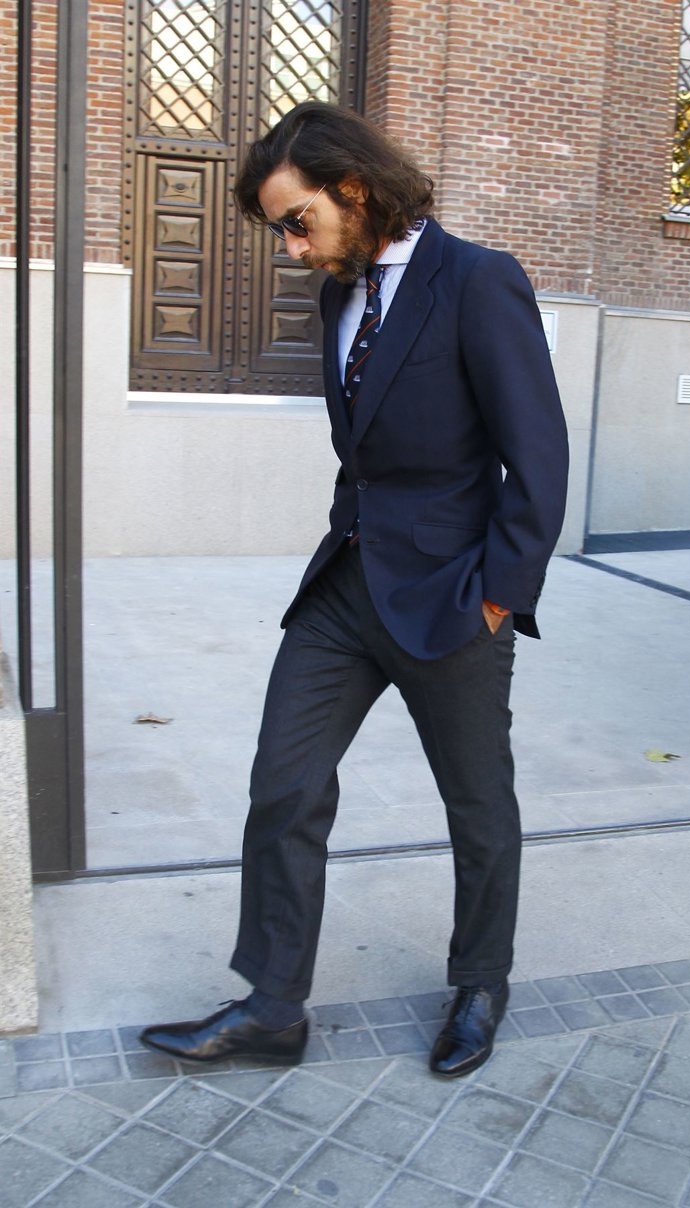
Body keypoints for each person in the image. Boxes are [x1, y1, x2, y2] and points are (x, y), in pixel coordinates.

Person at [140, 101, 569, 1078]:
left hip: (453, 594)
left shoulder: (477, 281)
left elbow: (537, 458)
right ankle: (272, 1007)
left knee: (476, 803)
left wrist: (497, 597)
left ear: (355, 188)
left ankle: (480, 981)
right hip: (344, 586)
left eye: (299, 222)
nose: (294, 249)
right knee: (284, 783)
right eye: (281, 231)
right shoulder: (340, 296)